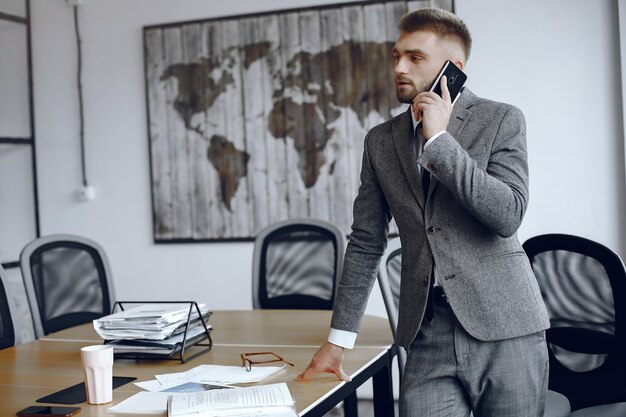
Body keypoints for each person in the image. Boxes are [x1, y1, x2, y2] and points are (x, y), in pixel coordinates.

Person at [297, 7, 550, 417]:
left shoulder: (501, 119)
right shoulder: (380, 141)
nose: (399, 67)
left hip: (506, 328)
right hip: (425, 330)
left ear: (454, 67)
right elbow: (365, 241)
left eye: (415, 57)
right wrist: (338, 339)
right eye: (396, 56)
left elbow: (507, 215)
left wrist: (440, 142)